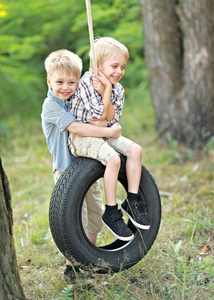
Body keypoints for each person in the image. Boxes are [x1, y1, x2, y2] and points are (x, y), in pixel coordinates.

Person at [41, 49, 122, 281]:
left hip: (88, 168)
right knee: (75, 220)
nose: (65, 87)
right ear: (49, 81)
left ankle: (87, 261)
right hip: (67, 169)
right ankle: (72, 268)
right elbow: (76, 128)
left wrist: (102, 88)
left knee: (94, 214)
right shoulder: (52, 106)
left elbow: (96, 111)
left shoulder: (76, 100)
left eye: (72, 82)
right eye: (59, 82)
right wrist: (108, 131)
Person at [68, 37, 150, 242]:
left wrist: (108, 90)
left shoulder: (118, 88)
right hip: (81, 137)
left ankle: (131, 201)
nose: (119, 71)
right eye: (114, 66)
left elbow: (111, 118)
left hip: (104, 133)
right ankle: (111, 212)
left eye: (123, 67)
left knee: (135, 150)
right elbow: (100, 114)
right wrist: (105, 93)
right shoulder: (85, 83)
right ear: (98, 65)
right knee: (113, 159)